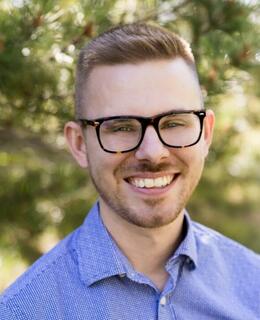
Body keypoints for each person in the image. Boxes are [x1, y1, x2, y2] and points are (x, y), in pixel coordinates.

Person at [0, 23, 260, 320]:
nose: (152, 152)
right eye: (122, 127)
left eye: (174, 123)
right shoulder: (23, 311)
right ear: (79, 144)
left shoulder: (254, 288)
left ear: (206, 134)